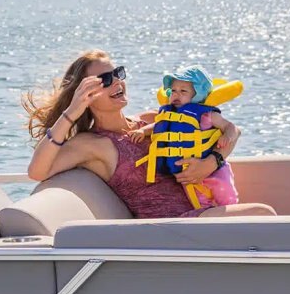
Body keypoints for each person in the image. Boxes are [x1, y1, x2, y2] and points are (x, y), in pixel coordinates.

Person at [24, 50, 276, 218]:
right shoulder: (93, 144)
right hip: (169, 226)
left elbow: (232, 132)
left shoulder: (152, 119)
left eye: (117, 73)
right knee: (263, 214)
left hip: (203, 209)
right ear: (84, 95)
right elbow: (37, 172)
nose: (117, 82)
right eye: (105, 80)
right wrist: (71, 112)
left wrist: (211, 162)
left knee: (267, 217)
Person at [138, 66, 241, 210]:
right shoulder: (169, 114)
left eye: (183, 91)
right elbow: (159, 126)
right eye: (173, 90)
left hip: (215, 171)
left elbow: (231, 127)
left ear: (198, 94)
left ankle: (232, 212)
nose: (176, 94)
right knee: (200, 202)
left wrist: (227, 136)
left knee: (225, 195)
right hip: (186, 174)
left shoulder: (207, 114)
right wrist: (143, 131)